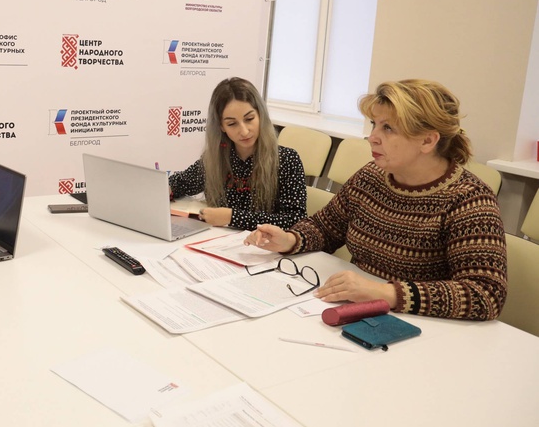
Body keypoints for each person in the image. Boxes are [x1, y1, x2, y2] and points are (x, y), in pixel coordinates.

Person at [246, 79, 507, 321]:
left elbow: (485, 295)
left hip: (421, 326)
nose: (372, 137)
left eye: (388, 128)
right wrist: (291, 240)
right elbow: (325, 227)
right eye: (374, 124)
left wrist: (385, 293)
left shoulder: (469, 200)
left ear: (427, 140)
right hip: (360, 311)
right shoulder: (372, 176)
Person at [169, 77, 306, 230]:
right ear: (221, 126)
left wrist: (232, 217)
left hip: (264, 243)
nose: (244, 131)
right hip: (217, 240)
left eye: (249, 119)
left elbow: (295, 220)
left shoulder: (287, 160)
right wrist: (166, 189)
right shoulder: (216, 159)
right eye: (232, 124)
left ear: (260, 115)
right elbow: (180, 183)